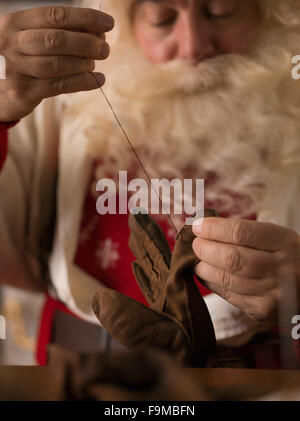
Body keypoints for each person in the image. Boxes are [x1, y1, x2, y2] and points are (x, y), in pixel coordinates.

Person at [0, 0, 300, 368]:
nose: (193, 48)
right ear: (127, 21)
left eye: (221, 11)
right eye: (162, 18)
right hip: (79, 380)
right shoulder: (55, 105)